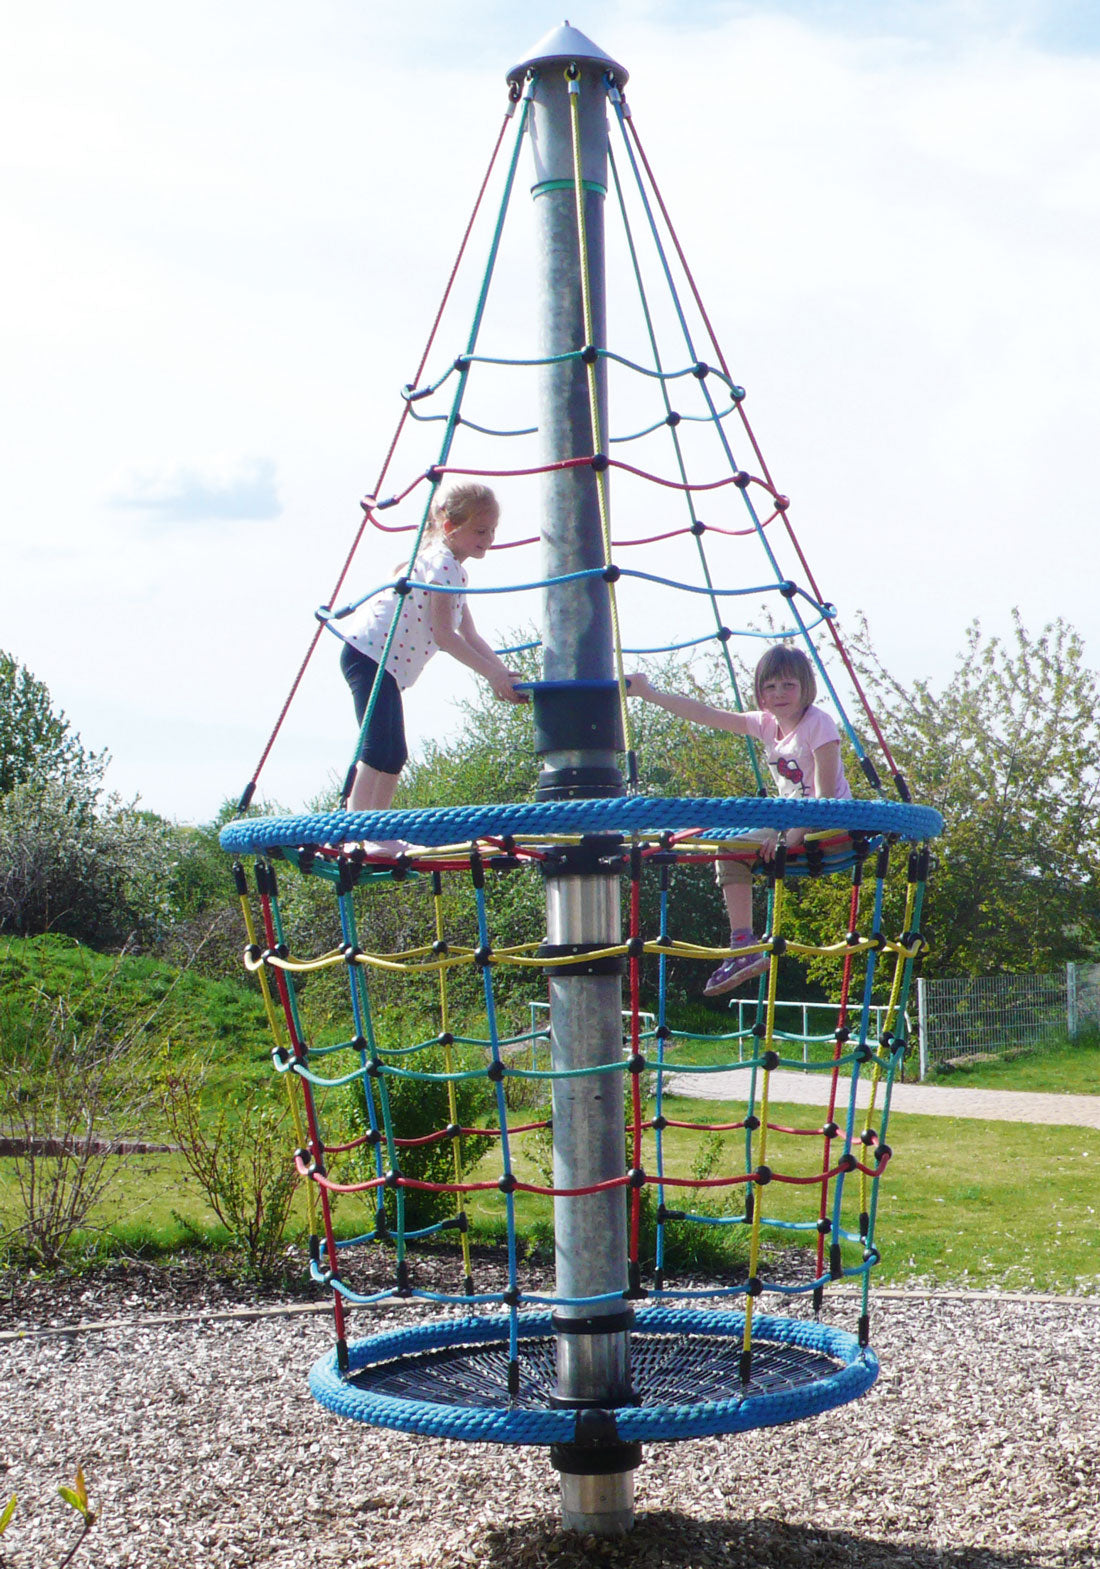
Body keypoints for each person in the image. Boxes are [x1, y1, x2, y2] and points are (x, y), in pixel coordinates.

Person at [627, 644, 851, 995]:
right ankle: (742, 947)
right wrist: (648, 693)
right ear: (760, 692)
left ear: (805, 687)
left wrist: (791, 836)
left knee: (751, 839)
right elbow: (705, 714)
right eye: (770, 687)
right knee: (729, 847)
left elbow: (823, 800)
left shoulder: (818, 724)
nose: (779, 694)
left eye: (788, 685)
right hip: (792, 817)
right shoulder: (765, 725)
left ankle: (743, 947)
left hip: (830, 822)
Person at [339, 483, 526, 829]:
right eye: (481, 531)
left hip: (383, 662)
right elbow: (444, 635)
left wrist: (504, 674)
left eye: (493, 530)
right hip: (369, 655)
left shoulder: (453, 568)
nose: (489, 538)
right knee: (379, 747)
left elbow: (470, 634)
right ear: (452, 527)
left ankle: (379, 830)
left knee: (395, 754)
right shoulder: (442, 565)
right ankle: (357, 830)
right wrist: (492, 676)